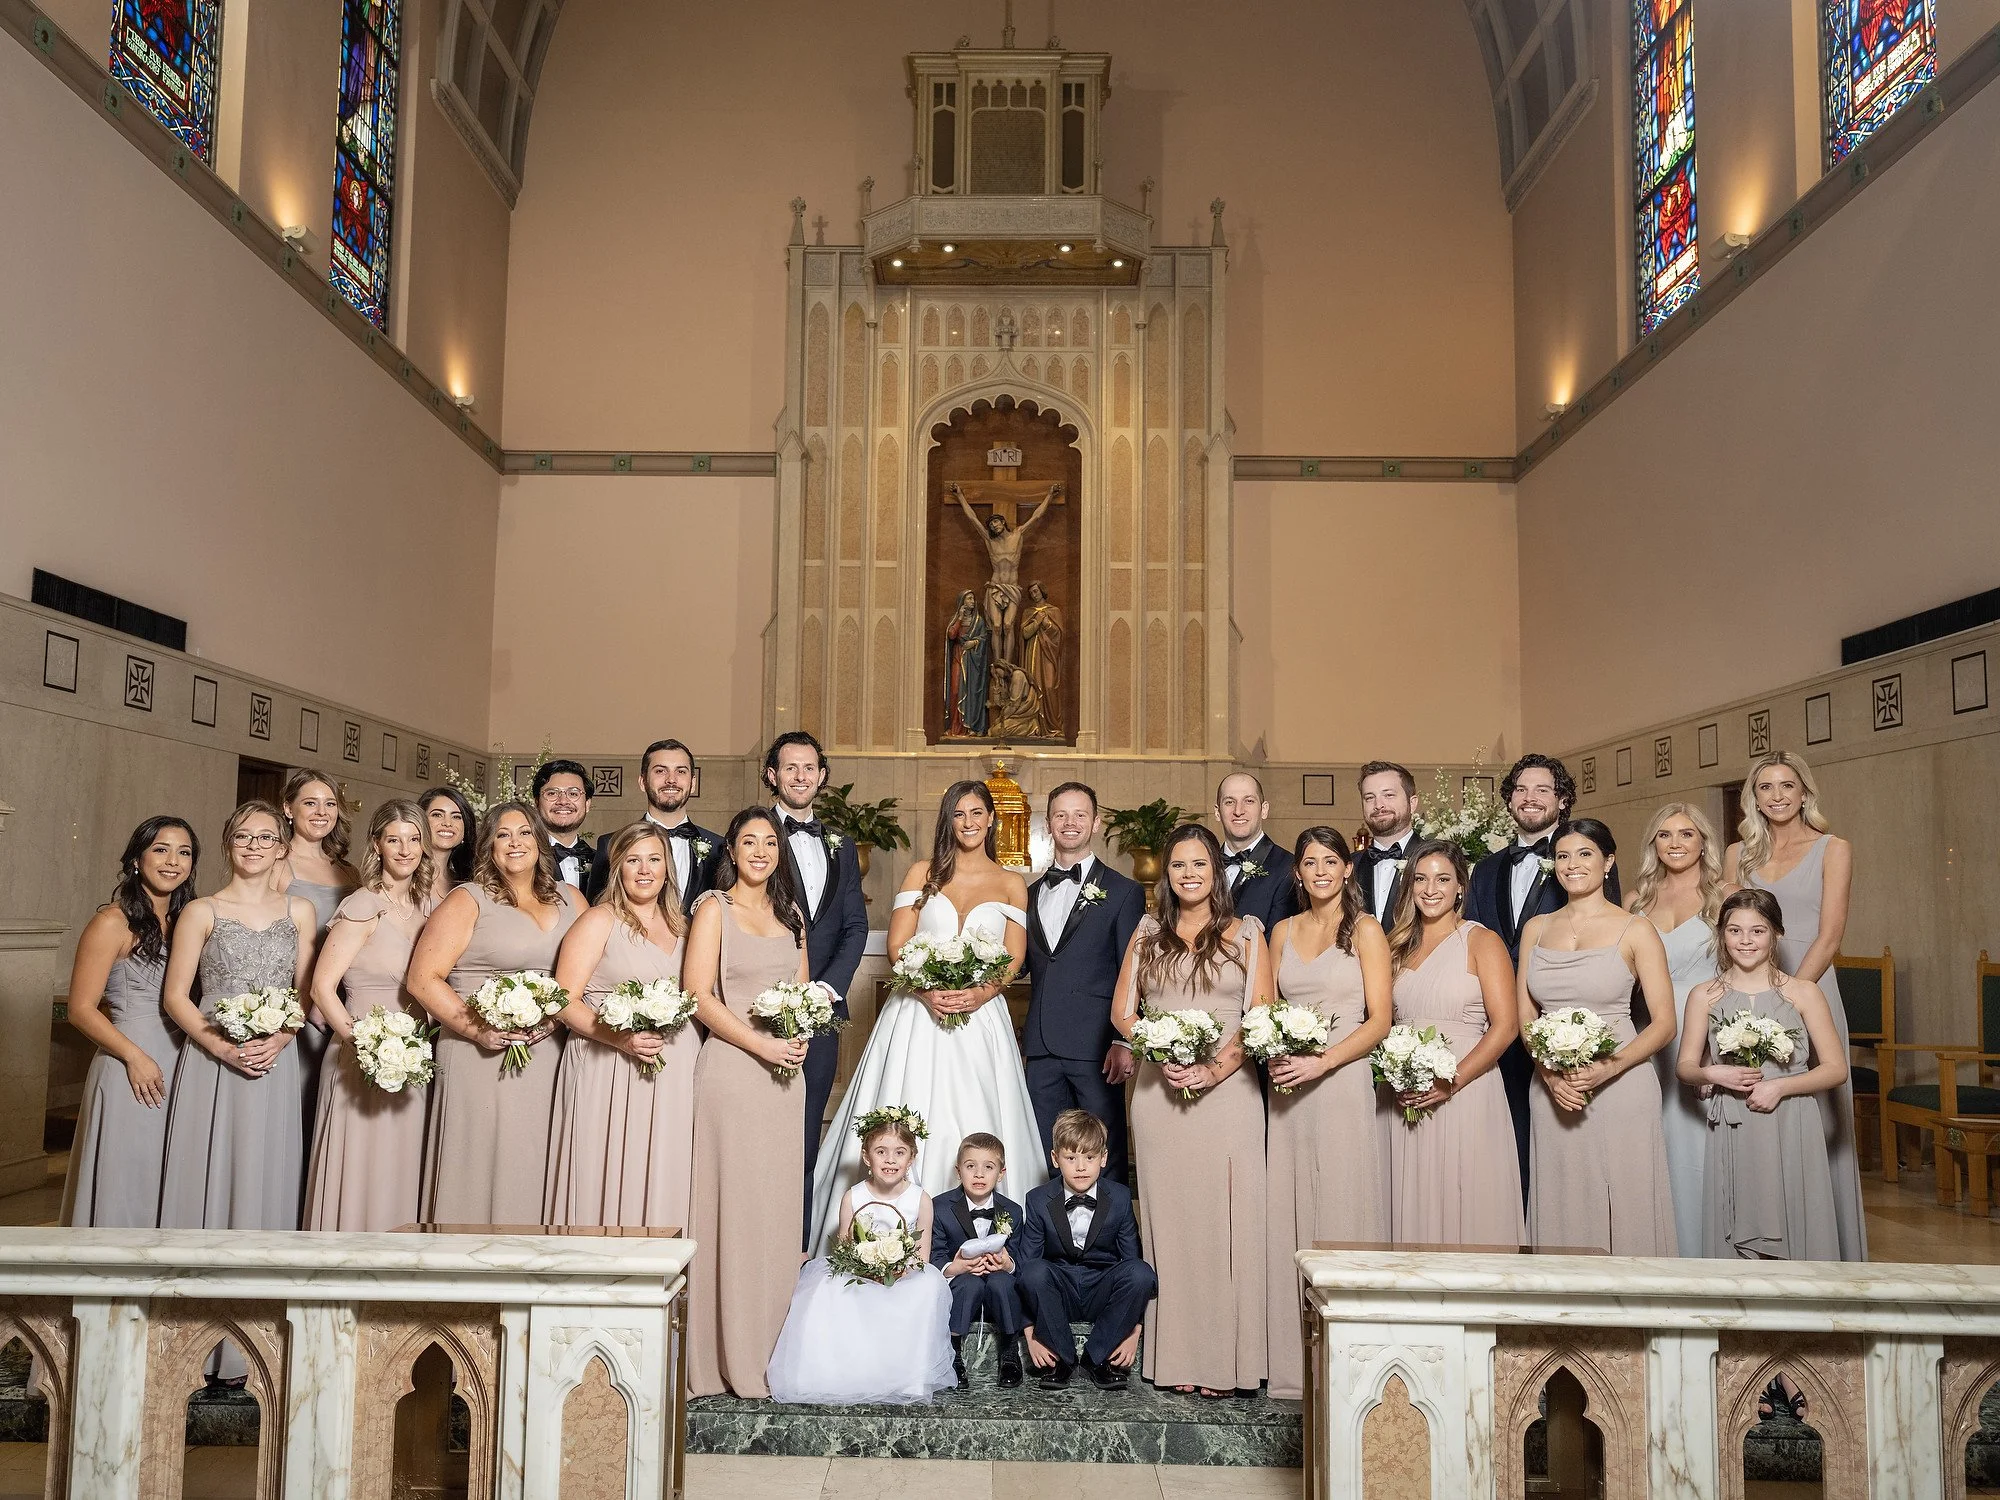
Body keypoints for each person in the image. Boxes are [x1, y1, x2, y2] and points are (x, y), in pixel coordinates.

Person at [808, 781, 1042, 1247]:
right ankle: (883, 1235)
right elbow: (898, 946)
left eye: (977, 813)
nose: (969, 822)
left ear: (991, 819)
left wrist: (979, 994)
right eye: (959, 814)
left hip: (981, 1018)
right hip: (917, 1013)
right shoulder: (922, 872)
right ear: (947, 821)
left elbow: (1014, 959)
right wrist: (927, 991)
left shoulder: (1012, 882)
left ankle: (989, 1242)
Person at [1113, 823, 1268, 1397]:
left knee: (1227, 1223)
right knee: (1170, 1224)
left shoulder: (1247, 933)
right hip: (1160, 1094)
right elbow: (1123, 1012)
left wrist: (1212, 1069)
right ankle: (1176, 1355)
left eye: (1199, 863)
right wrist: (1162, 1050)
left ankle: (1227, 1362)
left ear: (1216, 871)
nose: (1188, 874)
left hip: (1228, 1096)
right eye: (1178, 865)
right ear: (1167, 874)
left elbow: (1260, 1016)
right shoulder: (1147, 933)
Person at [684, 808, 813, 1399]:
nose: (760, 851)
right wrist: (761, 1044)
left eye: (770, 842)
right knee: (732, 1207)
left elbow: (803, 992)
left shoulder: (792, 915)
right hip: (734, 1071)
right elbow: (696, 995)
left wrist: (799, 1034)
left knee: (775, 1208)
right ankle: (724, 1355)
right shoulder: (714, 908)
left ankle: (770, 1353)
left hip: (785, 1078)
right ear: (731, 851)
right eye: (748, 842)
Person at [1262, 826, 1393, 1399]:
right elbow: (1265, 1008)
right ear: (1298, 872)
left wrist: (1323, 1062)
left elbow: (1380, 1019)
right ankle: (1291, 1363)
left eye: (1330, 861)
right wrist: (1276, 1050)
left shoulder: (1365, 930)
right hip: (1289, 1087)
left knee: (1342, 1202)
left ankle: (1350, 1361)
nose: (1320, 871)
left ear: (1347, 869)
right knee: (1289, 1208)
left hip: (1340, 1081)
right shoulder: (1282, 931)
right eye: (1310, 862)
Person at [406, 801, 582, 1225]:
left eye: (524, 833)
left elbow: (589, 973)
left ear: (540, 842)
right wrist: (478, 1029)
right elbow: (422, 979)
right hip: (480, 1054)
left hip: (551, 1052)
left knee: (539, 1162)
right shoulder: (467, 900)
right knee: (480, 1164)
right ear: (489, 846)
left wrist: (557, 1016)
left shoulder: (572, 899)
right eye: (503, 835)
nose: (515, 842)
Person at [1724, 750, 1866, 1263]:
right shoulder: (1738, 854)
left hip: (1811, 991)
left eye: (1788, 785)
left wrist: (1788, 1001)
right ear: (1754, 797)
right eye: (1766, 787)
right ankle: (1760, 1246)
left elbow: (1830, 937)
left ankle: (1826, 1251)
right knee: (1756, 1110)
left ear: (1805, 793)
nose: (1778, 796)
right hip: (1746, 999)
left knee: (1818, 1119)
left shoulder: (1833, 849)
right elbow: (1726, 927)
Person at [1518, 820, 1678, 1255]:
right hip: (1553, 1089)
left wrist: (1607, 1068)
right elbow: (1526, 1016)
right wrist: (1550, 1077)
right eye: (1563, 856)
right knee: (1562, 1196)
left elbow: (1664, 1023)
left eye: (1584, 854)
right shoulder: (1535, 928)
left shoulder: (1636, 929)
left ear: (1608, 862)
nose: (1572, 864)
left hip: (1622, 1085)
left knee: (1624, 1198)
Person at [1465, 754, 1620, 1192]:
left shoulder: (1583, 860)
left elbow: (1608, 942)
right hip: (1496, 1025)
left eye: (1542, 790)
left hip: (1561, 1030)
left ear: (1563, 799)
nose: (1529, 798)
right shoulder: (1486, 868)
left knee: (1563, 1145)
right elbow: (1470, 941)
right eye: (1520, 789)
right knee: (1502, 1140)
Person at [158, 801, 315, 1231]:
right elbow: (175, 997)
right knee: (210, 1155)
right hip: (212, 1053)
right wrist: (222, 1049)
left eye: (265, 837)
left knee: (265, 1157)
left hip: (275, 1053)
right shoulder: (201, 910)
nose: (253, 845)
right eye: (243, 836)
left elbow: (305, 991)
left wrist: (282, 1038)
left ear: (281, 848)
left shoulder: (300, 911)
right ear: (229, 844)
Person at [1678, 889, 1847, 1261]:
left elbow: (1836, 1069)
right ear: (1721, 935)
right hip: (1733, 1123)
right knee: (1736, 1215)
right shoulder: (1703, 995)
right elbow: (1685, 1067)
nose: (1746, 940)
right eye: (1734, 931)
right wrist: (1712, 1073)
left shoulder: (1804, 993)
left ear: (1776, 934)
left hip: (1792, 1121)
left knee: (1795, 1217)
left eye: (1758, 931)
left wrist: (1780, 1087)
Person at [545, 823, 696, 1229]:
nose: (644, 870)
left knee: (666, 1169)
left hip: (675, 1071)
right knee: (606, 1169)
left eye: (654, 859)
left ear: (667, 868)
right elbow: (561, 999)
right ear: (617, 869)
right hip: (609, 1067)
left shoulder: (686, 926)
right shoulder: (598, 921)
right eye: (633, 860)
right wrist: (621, 1039)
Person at [303, 799, 435, 1231]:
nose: (405, 849)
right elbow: (321, 988)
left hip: (414, 1059)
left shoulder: (427, 908)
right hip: (361, 1057)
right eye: (394, 840)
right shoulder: (362, 905)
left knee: (401, 1165)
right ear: (376, 845)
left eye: (413, 839)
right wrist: (365, 1047)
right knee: (361, 1168)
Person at [62, 816, 199, 1228]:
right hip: (130, 1065)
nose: (173, 861)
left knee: (170, 1175)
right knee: (127, 1175)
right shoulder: (111, 922)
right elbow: (80, 1008)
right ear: (137, 859)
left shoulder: (189, 921)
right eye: (161, 849)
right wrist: (134, 1057)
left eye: (184, 852)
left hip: (183, 1060)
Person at [766, 1108, 956, 1405]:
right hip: (860, 1272)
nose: (890, 1160)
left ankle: (909, 1377)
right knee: (824, 1287)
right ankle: (834, 1372)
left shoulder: (920, 1199)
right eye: (881, 1152)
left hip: (904, 1274)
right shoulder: (853, 1196)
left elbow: (922, 1256)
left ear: (911, 1158)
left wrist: (898, 1271)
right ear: (867, 1157)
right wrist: (866, 1268)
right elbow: (844, 1248)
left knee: (928, 1287)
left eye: (899, 1152)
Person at [1385, 841, 1524, 1247]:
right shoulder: (1396, 946)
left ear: (1461, 886)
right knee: (1410, 1198)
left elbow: (1506, 1026)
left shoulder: (1481, 941)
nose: (1431, 889)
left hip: (1465, 1088)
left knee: (1465, 1195)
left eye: (1443, 879)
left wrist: (1451, 1081)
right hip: (1405, 1092)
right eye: (1421, 879)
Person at [763, 731, 869, 1208]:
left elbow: (855, 925)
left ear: (822, 776)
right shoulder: (750, 835)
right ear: (772, 775)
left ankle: (799, 1238)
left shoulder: (842, 844)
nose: (801, 776)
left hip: (822, 1011)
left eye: (809, 768)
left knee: (808, 1128)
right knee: (759, 1126)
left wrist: (826, 989)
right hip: (760, 1008)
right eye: (791, 767)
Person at [1022, 782, 1145, 1181]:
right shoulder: (1029, 893)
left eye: (1079, 815)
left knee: (1103, 1151)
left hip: (1097, 1047)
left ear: (1095, 823)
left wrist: (1124, 1040)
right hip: (1041, 1045)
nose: (1069, 823)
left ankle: (1110, 1224)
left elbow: (1133, 970)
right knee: (1045, 1152)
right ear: (1048, 823)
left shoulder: (1124, 892)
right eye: (1060, 815)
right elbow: (1020, 962)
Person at [1627, 802, 1733, 1257]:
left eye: (1686, 834)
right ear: (1653, 844)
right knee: (1648, 1139)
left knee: (1695, 1145)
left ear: (1703, 843)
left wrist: (1711, 1050)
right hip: (1645, 1033)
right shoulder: (1635, 902)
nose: (1675, 843)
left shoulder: (1725, 896)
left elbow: (1742, 974)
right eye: (1665, 835)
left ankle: (1701, 1251)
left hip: (1704, 1033)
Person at [1016, 1109, 1156, 1391]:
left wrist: (1135, 1330)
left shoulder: (1119, 1197)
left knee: (1141, 1273)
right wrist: (1030, 1332)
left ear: (1103, 1158)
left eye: (1089, 1158)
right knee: (1033, 1271)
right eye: (1071, 1158)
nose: (1081, 1167)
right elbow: (1023, 1270)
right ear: (1055, 1159)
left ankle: (1097, 1358)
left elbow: (1131, 1258)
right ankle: (1063, 1360)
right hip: (1060, 1293)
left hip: (1101, 1290)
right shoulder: (1038, 1200)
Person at [272, 768, 359, 1153]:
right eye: (310, 803)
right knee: (298, 1109)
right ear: (288, 809)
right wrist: (306, 1005)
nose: (322, 812)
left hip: (341, 1003)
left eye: (330, 804)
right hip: (298, 1006)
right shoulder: (278, 865)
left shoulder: (349, 871)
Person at [930, 1132, 1027, 1389]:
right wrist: (954, 1267)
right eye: (971, 1166)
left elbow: (1020, 1256)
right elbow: (935, 1253)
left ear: (1001, 1173)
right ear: (958, 1171)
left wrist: (1008, 1264)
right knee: (969, 1284)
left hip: (999, 1286)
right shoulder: (940, 1207)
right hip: (962, 1285)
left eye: (988, 1167)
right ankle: (953, 1353)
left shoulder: (1013, 1211)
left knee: (1001, 1282)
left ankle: (1009, 1350)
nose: (979, 1174)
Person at [587, 739, 719, 910]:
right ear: (642, 782)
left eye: (680, 771)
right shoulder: (611, 844)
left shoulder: (718, 847)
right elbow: (597, 908)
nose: (671, 779)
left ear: (693, 783)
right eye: (660, 771)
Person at [1214, 771, 1297, 932]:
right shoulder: (1202, 866)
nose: (1239, 810)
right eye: (1229, 802)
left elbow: (1280, 938)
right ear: (1217, 812)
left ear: (1264, 809)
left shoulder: (1288, 868)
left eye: (1249, 801)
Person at [1351, 761, 1420, 922]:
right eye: (1369, 798)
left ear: (1412, 803)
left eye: (1388, 795)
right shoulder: (1349, 866)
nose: (1378, 805)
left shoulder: (1435, 859)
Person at [534, 759, 595, 891]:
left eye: (573, 794)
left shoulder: (603, 862)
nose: (563, 801)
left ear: (587, 804)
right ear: (537, 802)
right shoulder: (524, 858)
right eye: (552, 793)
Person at [420, 785, 477, 894]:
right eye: (437, 815)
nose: (447, 823)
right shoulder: (405, 875)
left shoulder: (469, 882)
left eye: (456, 817)